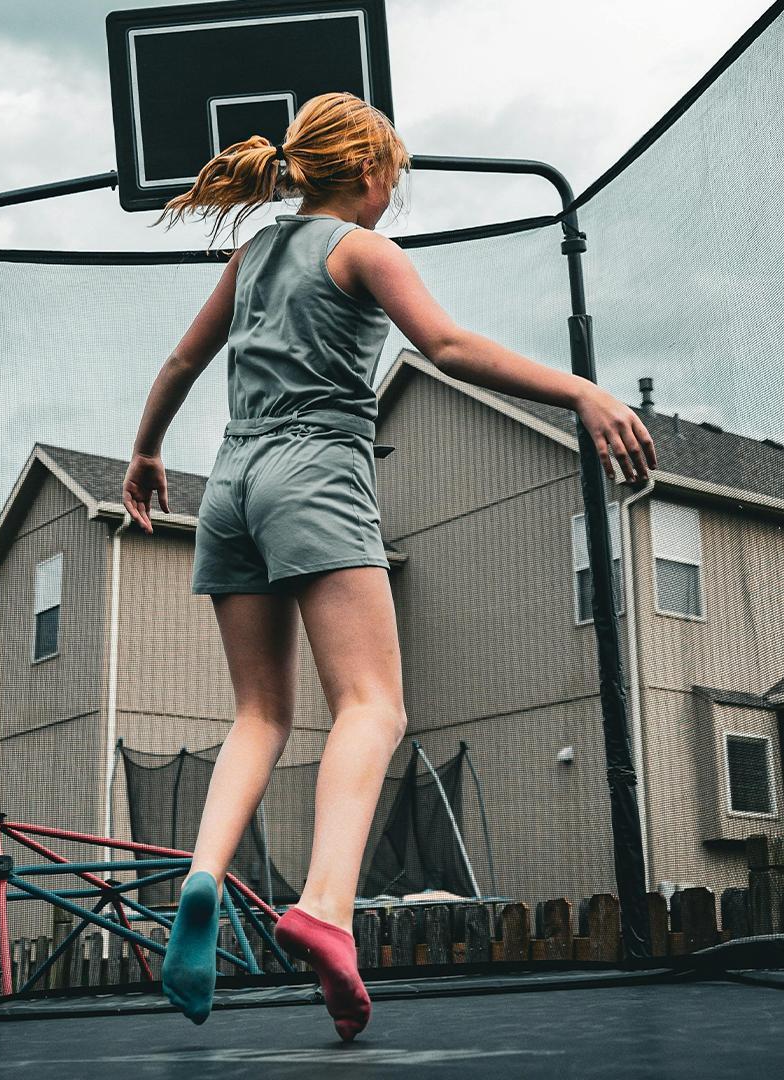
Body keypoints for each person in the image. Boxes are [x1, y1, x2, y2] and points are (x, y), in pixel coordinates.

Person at [121, 91, 657, 1042]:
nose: (391, 195)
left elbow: (176, 361)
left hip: (232, 477)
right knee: (373, 704)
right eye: (392, 180)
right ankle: (325, 908)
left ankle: (202, 877)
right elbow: (445, 347)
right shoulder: (362, 250)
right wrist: (582, 390)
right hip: (316, 470)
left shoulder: (253, 256)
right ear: (369, 174)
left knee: (259, 713)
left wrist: (148, 451)